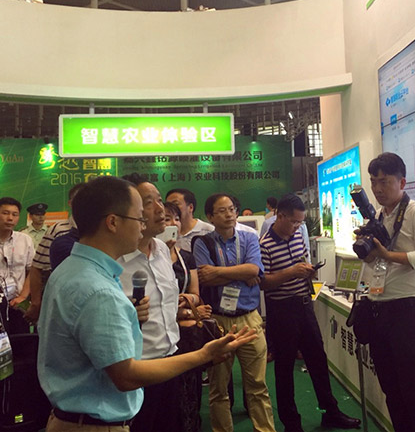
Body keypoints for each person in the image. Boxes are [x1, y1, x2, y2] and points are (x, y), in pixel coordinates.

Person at [37, 176, 256, 432]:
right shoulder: (98, 288)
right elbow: (126, 375)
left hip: (87, 411)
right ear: (113, 222)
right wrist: (204, 355)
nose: (143, 225)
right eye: (138, 217)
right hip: (99, 419)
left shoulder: (73, 269)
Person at [259, 193, 360, 432]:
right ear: (279, 216)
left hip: (304, 306)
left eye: (300, 222)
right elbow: (263, 283)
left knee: (318, 361)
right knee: (284, 369)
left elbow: (302, 262)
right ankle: (291, 423)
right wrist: (292, 272)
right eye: (294, 222)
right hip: (281, 311)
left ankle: (330, 412)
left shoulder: (298, 237)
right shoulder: (264, 245)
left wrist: (308, 272)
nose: (297, 227)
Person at [357, 152, 415, 432]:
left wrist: (388, 255)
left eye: (384, 182)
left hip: (406, 313)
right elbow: (378, 262)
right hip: (378, 310)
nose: (377, 189)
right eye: (373, 182)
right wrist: (370, 253)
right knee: (391, 390)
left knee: (414, 393)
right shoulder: (378, 216)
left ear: (402, 182)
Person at [194, 193, 276, 432]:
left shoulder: (249, 238)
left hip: (249, 319)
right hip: (218, 321)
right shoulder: (203, 243)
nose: (229, 214)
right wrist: (242, 273)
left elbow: (254, 270)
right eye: (222, 211)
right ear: (210, 216)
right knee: (218, 389)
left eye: (231, 209)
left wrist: (220, 272)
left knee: (258, 385)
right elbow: (205, 278)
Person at [118, 173, 180, 432]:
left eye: (160, 200)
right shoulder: (114, 259)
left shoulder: (163, 250)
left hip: (170, 361)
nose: (160, 209)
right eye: (148, 202)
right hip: (135, 370)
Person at [163, 200, 210, 432]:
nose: (173, 224)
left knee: (191, 391)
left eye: (176, 219)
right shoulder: (147, 258)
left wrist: (187, 302)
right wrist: (185, 310)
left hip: (188, 334)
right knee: (169, 398)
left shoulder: (187, 257)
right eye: (166, 219)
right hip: (162, 337)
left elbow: (196, 295)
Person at [25, 183, 84, 324]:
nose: (85, 203)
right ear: (70, 203)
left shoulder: (102, 229)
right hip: (60, 301)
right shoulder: (57, 230)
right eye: (79, 199)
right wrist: (36, 303)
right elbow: (37, 267)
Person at [0, 197, 35, 335]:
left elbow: (32, 271)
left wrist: (23, 296)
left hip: (18, 303)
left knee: (21, 340)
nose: (10, 218)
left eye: (14, 214)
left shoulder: (25, 240)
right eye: (5, 213)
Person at [165, 188, 213, 252]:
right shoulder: (165, 232)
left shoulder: (208, 231)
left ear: (190, 207)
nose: (172, 208)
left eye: (176, 204)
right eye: (169, 205)